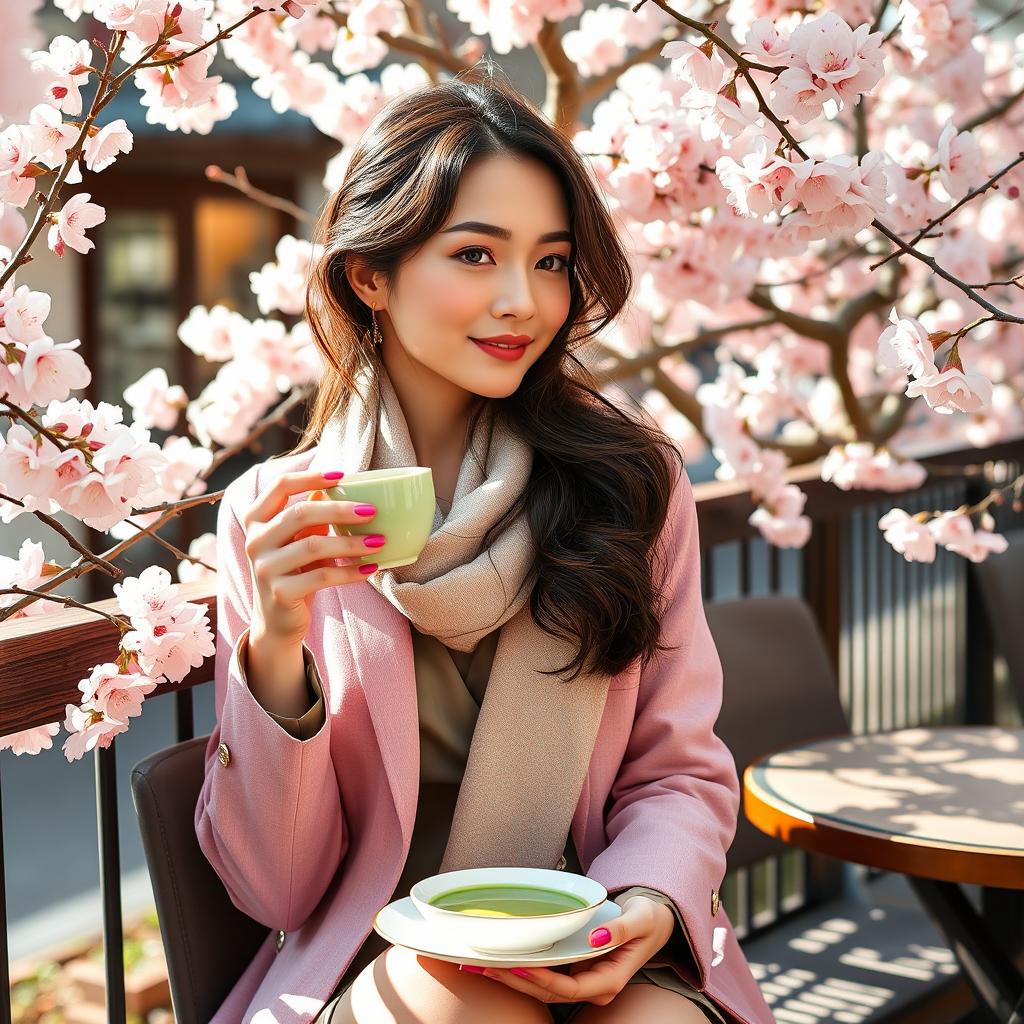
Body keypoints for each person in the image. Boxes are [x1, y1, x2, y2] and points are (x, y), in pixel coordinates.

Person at [195, 62, 776, 1024]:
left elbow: (678, 766)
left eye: (551, 261)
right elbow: (279, 893)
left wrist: (645, 903)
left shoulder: (628, 485)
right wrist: (276, 645)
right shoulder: (279, 514)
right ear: (367, 273)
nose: (523, 301)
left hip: (597, 934)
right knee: (467, 1006)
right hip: (378, 957)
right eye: (475, 254)